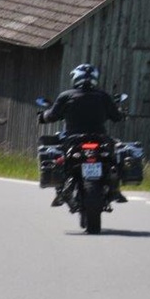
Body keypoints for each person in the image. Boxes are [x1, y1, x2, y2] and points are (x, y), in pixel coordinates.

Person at [38, 63, 126, 208]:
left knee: (60, 158)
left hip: (73, 139)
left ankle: (60, 191)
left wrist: (42, 116)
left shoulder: (66, 96)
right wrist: (121, 113)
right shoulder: (103, 96)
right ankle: (115, 188)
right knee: (114, 157)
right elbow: (116, 116)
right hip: (100, 139)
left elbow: (52, 115)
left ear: (75, 78)